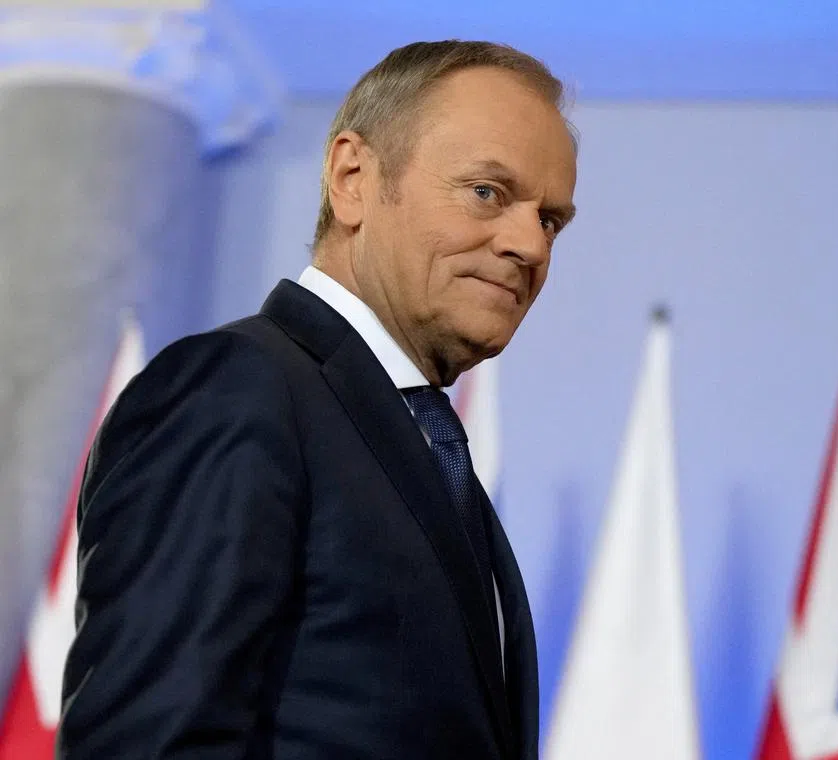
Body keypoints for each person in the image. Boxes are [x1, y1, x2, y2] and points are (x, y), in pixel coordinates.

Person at [58, 40, 578, 760]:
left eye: (551, 219)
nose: (531, 245)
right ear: (352, 177)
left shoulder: (426, 451)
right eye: (489, 192)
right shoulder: (235, 391)